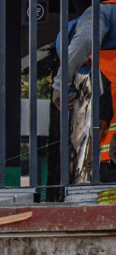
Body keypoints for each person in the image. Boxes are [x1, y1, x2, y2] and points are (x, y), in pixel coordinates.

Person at [52, 3, 116, 181]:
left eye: (84, 62)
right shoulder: (108, 61)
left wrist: (59, 84)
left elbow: (85, 40)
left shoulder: (96, 15)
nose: (89, 64)